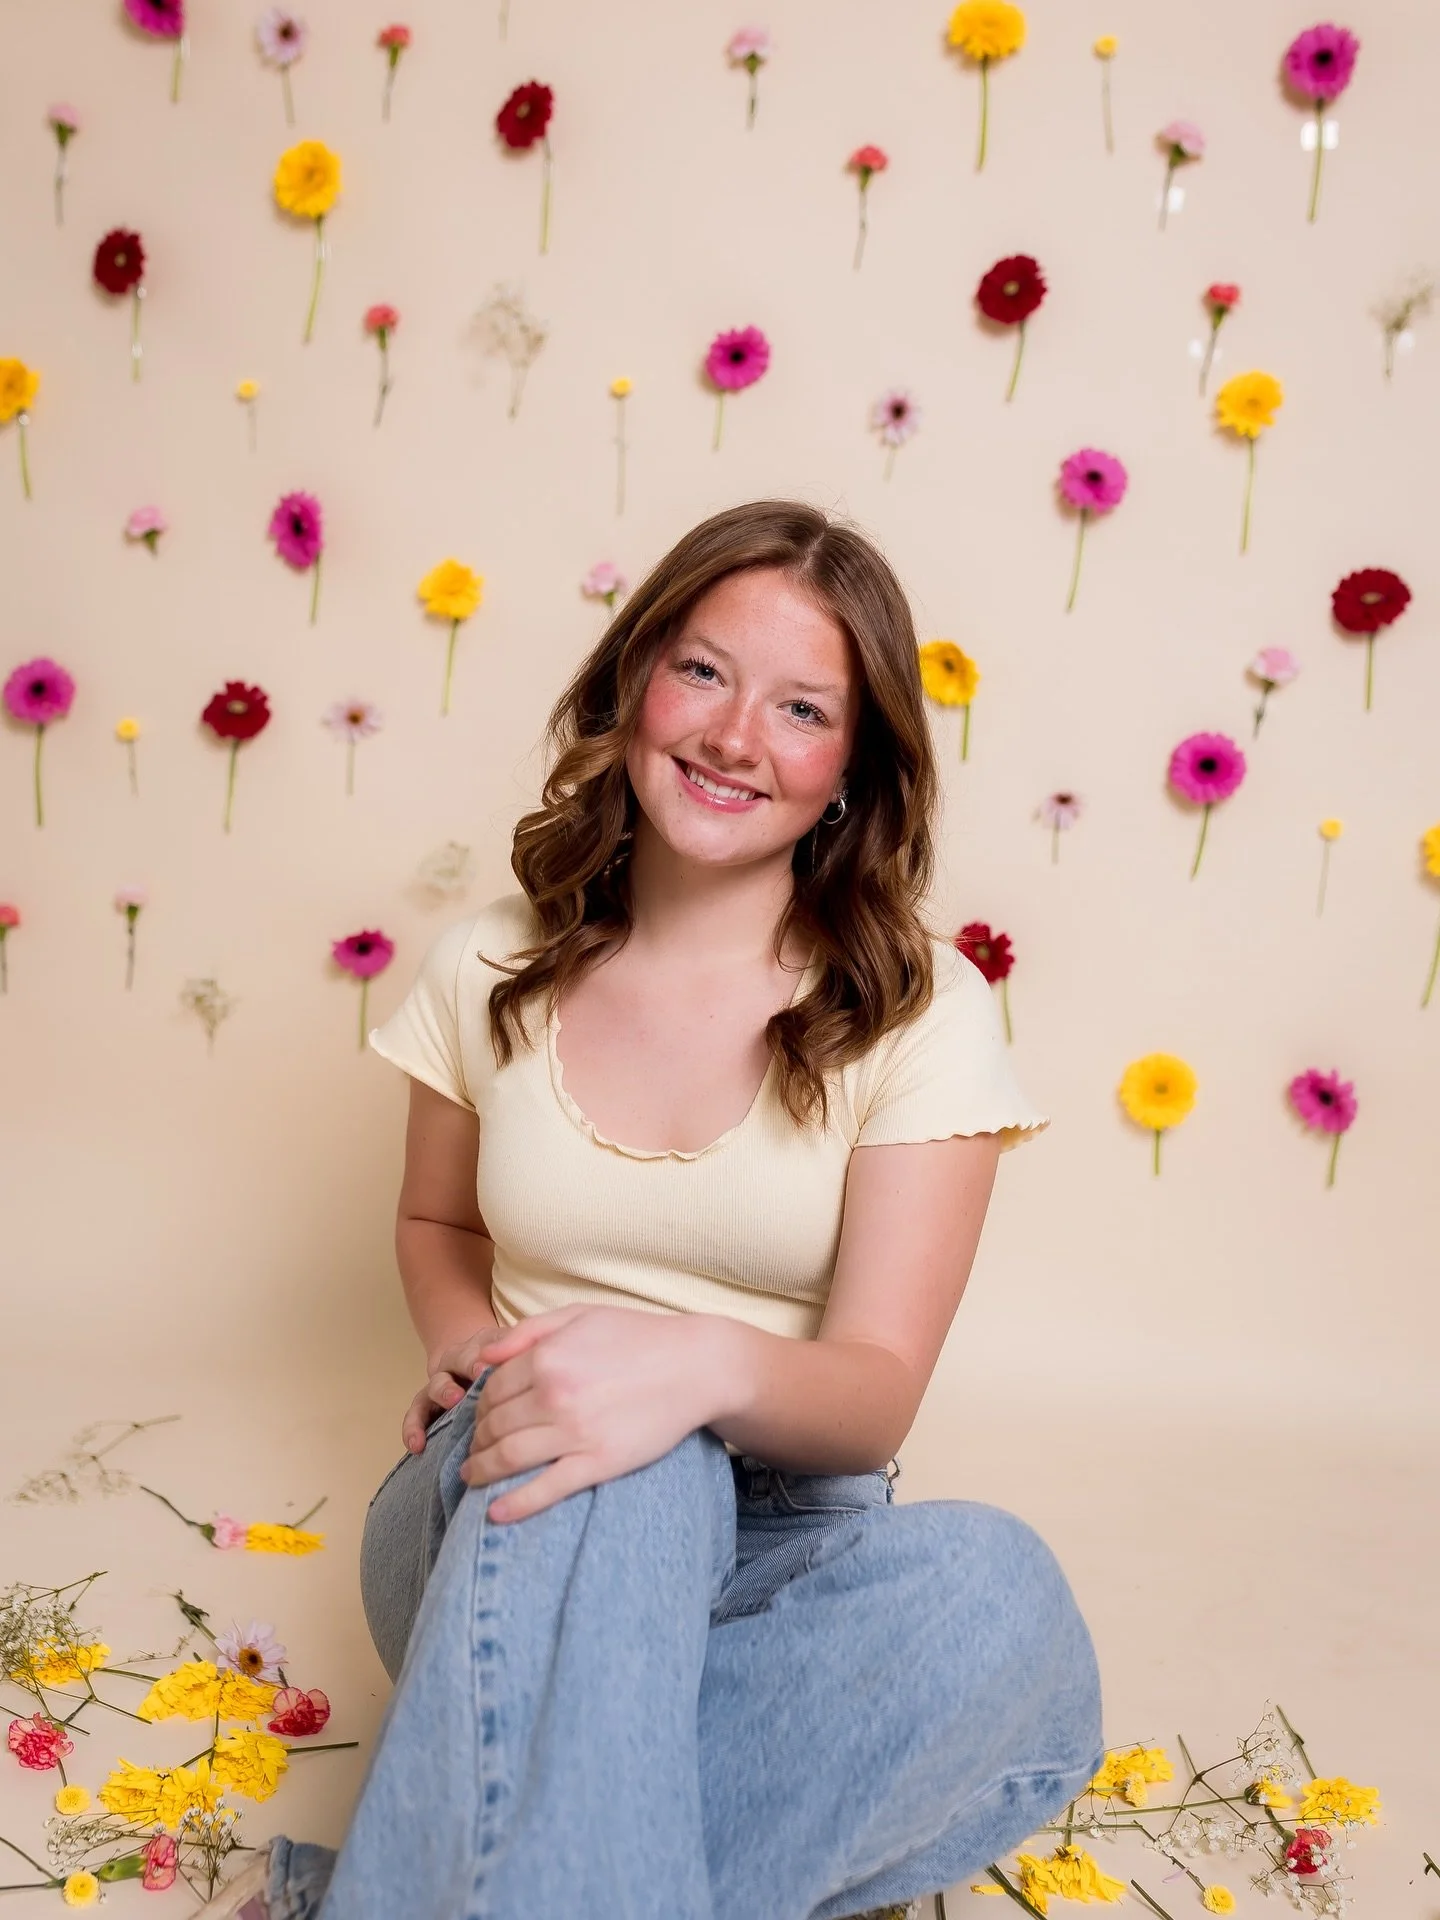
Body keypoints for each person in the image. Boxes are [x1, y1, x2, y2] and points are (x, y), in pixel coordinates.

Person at [203, 500, 1101, 1920]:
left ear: (850, 769)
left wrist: (696, 1366)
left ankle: (387, 1893)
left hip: (791, 1533)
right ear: (635, 682)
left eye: (801, 708)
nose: (736, 735)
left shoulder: (921, 1010)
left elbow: (874, 1395)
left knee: (1002, 1601)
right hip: (510, 1509)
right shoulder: (489, 963)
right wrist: (463, 1344)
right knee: (624, 1429)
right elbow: (439, 1227)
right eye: (702, 671)